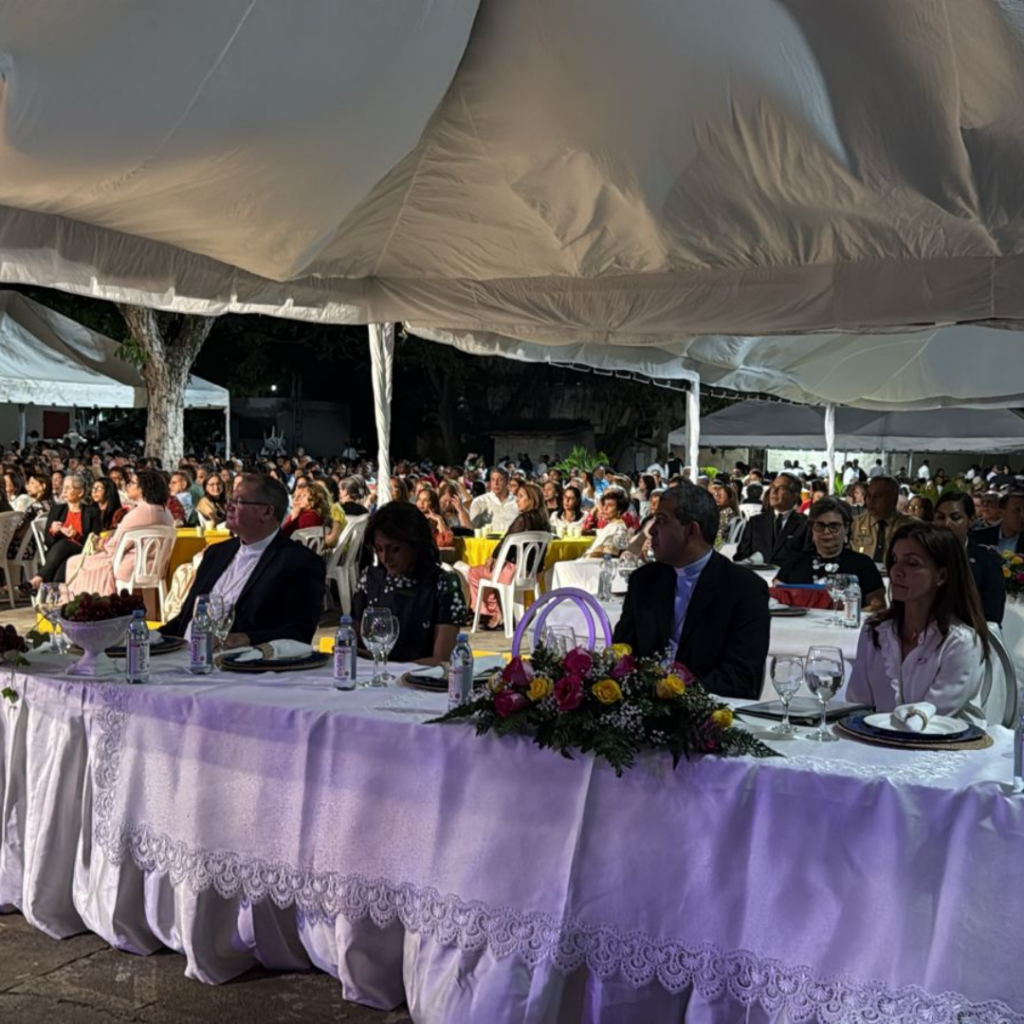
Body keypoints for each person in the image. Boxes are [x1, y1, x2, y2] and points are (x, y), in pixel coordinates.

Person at [613, 482, 769, 700]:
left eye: (661, 521)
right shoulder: (645, 580)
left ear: (691, 531)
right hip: (642, 706)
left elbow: (740, 678)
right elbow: (622, 653)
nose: (652, 530)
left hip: (708, 708)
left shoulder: (743, 589)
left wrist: (677, 694)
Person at [163, 474, 324, 646]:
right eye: (230, 500)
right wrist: (155, 638)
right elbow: (184, 619)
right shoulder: (216, 553)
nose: (229, 507)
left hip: (239, 658)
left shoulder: (298, 562)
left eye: (238, 502)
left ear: (267, 512)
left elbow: (299, 632)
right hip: (183, 652)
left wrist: (244, 639)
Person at [848, 523, 989, 718]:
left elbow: (930, 718)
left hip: (942, 736)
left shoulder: (960, 641)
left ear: (941, 576)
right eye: (895, 560)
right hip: (879, 735)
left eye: (912, 563)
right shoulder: (876, 629)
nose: (896, 571)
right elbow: (857, 703)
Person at [352, 503, 470, 664]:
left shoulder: (442, 584)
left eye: (395, 549)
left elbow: (442, 660)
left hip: (422, 676)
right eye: (379, 549)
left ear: (416, 545)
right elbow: (352, 641)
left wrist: (391, 667)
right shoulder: (370, 579)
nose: (385, 558)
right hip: (373, 673)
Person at [63, 471, 175, 596]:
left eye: (132, 483)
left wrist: (100, 544)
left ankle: (86, 603)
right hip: (156, 567)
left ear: (143, 488)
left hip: (131, 567)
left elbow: (113, 546)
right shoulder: (167, 513)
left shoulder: (139, 512)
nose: (127, 485)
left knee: (73, 562)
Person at [775, 498, 886, 611]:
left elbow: (878, 606)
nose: (826, 532)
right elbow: (775, 601)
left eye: (834, 526)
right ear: (812, 528)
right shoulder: (794, 562)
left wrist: (849, 615)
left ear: (846, 528)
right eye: (820, 525)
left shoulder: (863, 564)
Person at [467, 482, 549, 629]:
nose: (517, 500)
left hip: (511, 571)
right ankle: (500, 611)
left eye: (521, 496)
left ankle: (491, 613)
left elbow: (507, 541)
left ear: (532, 500)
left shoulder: (523, 519)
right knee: (489, 573)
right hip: (531, 573)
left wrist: (494, 556)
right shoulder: (544, 522)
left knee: (473, 572)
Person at [933, 491, 1005, 625]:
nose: (946, 524)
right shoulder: (923, 556)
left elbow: (992, 617)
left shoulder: (987, 562)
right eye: (940, 517)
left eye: (955, 518)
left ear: (971, 520)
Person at [26, 474, 102, 590]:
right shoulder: (57, 510)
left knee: (65, 543)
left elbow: (95, 540)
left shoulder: (92, 512)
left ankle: (38, 579)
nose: (64, 491)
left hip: (82, 551)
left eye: (68, 488)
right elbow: (48, 542)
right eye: (64, 487)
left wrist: (76, 535)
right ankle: (53, 593)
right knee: (63, 563)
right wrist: (52, 531)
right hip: (59, 555)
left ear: (80, 492)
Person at [734, 472, 808, 564]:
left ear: (794, 496)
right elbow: (741, 556)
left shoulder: (805, 524)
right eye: (772, 487)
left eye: (781, 488)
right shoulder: (755, 522)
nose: (774, 492)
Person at [849, 476, 916, 563]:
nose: (871, 501)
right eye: (869, 495)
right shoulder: (855, 524)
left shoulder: (912, 527)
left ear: (893, 498)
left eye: (877, 496)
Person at [468, 467, 518, 532]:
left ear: (507, 481)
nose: (496, 483)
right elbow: (472, 528)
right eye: (493, 480)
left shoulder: (517, 502)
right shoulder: (479, 502)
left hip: (513, 538)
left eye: (500, 480)